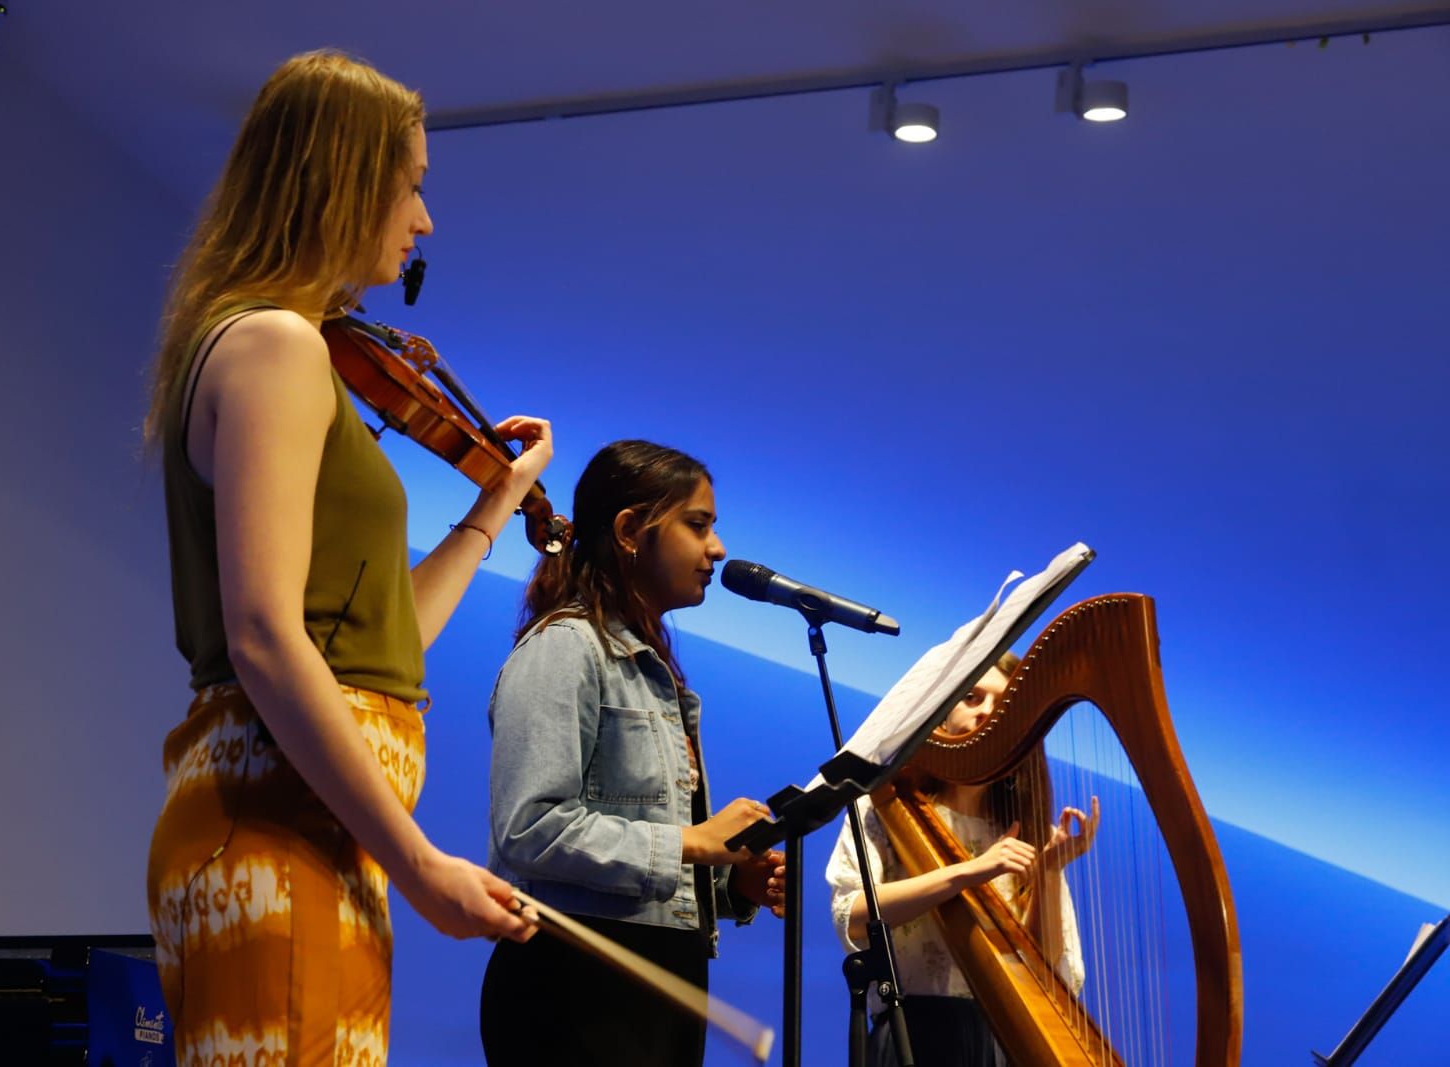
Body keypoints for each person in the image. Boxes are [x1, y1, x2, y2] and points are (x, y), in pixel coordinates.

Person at [141, 50, 543, 1065]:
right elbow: (268, 637)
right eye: (410, 184)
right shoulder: (276, 344)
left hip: (317, 828)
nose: (423, 219)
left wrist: (490, 511)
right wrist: (418, 863)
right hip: (280, 825)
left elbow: (372, 640)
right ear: (343, 179)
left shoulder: (276, 345)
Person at [479, 440, 784, 1067]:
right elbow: (529, 829)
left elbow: (638, 849)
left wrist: (730, 883)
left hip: (655, 979)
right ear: (628, 531)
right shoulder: (565, 647)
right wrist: (693, 844)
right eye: (697, 524)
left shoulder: (654, 673)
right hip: (574, 987)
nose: (718, 548)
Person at [825, 653, 1100, 1067]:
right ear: (940, 718)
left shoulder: (1025, 834)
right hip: (910, 1037)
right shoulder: (882, 808)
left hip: (998, 1045)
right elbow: (853, 915)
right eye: (972, 698)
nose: (987, 712)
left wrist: (1048, 869)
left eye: (1002, 706)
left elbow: (1042, 976)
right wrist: (969, 872)